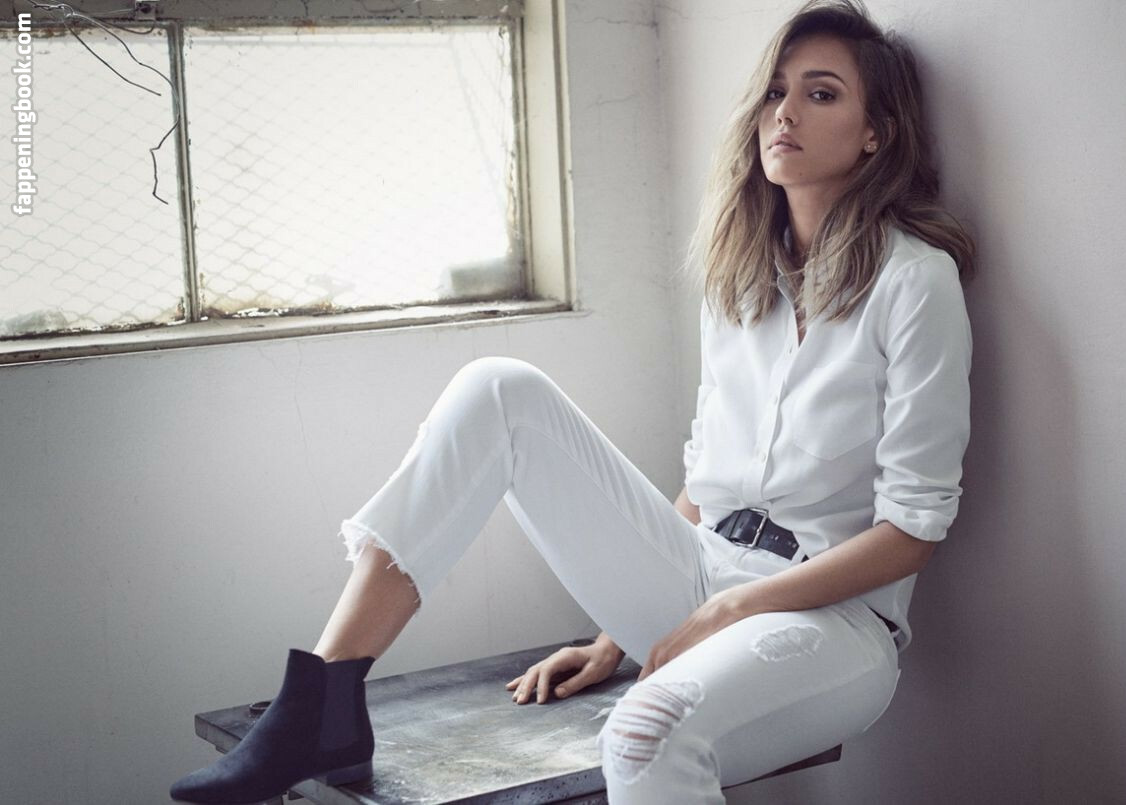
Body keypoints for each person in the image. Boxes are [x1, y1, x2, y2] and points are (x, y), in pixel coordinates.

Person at [169, 0, 975, 802]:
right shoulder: (739, 279)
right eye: (774, 91)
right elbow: (706, 486)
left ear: (876, 134)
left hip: (832, 622)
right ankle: (324, 698)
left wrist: (734, 605)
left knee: (641, 732)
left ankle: (324, 710)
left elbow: (912, 531)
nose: (785, 113)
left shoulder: (914, 283)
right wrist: (612, 637)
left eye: (821, 94)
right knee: (498, 388)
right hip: (703, 570)